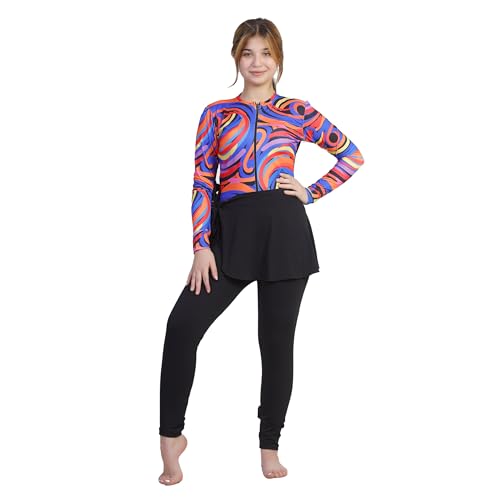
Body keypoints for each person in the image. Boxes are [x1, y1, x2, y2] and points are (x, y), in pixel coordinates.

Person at [158, 17, 365, 485]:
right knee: (182, 326)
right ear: (236, 57)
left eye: (266, 53)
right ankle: (171, 439)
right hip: (229, 234)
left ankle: (269, 445)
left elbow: (351, 155)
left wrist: (311, 191)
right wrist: (201, 245)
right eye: (248, 53)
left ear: (278, 58)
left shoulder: (297, 111)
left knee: (275, 345)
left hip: (284, 234)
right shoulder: (216, 113)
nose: (257, 62)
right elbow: (202, 181)